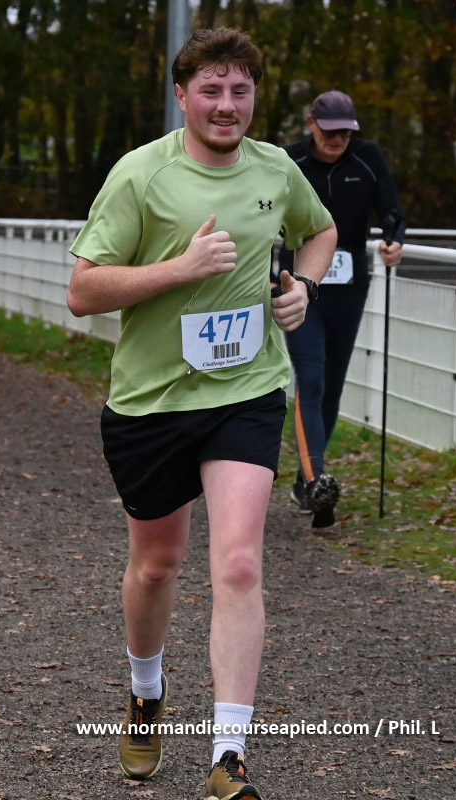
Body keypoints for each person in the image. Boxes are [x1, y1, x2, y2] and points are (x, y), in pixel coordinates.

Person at [67, 28, 336, 800]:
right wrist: (180, 269)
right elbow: (83, 291)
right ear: (182, 95)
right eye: (211, 91)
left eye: (240, 90)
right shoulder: (140, 175)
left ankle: (228, 756)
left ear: (255, 97)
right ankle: (145, 692)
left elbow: (320, 231)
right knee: (157, 565)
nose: (226, 105)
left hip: (245, 391)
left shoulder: (276, 168)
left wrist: (304, 287)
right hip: (152, 400)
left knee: (240, 562)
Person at [276, 90, 406, 530]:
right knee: (310, 379)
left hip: (349, 288)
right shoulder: (288, 160)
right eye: (329, 131)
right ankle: (316, 481)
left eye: (345, 133)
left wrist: (393, 241)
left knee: (331, 385)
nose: (337, 140)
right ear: (311, 123)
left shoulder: (367, 158)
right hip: (299, 286)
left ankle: (306, 481)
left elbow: (392, 213)